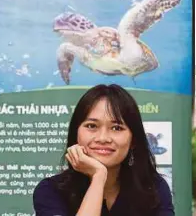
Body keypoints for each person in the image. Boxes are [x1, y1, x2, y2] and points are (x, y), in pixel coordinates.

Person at [33, 84, 174, 216]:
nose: (103, 138)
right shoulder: (51, 190)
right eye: (91, 126)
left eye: (116, 128)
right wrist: (98, 177)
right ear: (76, 134)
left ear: (133, 141)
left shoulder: (154, 189)